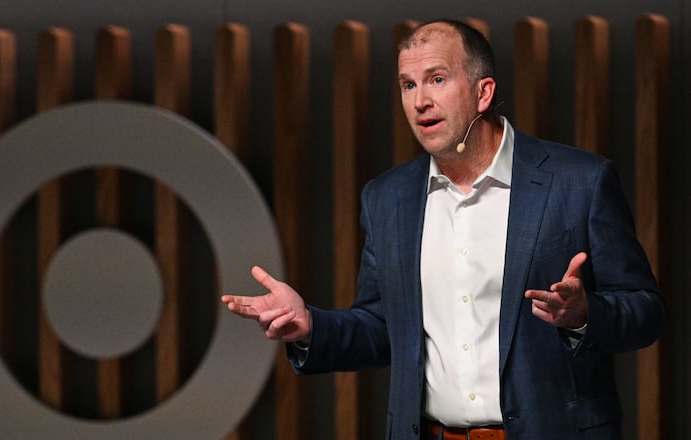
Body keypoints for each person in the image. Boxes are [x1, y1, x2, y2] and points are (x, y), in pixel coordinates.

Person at [221, 19, 665, 440]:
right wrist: (310, 327)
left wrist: (584, 315)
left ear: (483, 91)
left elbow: (645, 311)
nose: (419, 101)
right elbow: (381, 328)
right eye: (408, 85)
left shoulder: (580, 181)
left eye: (436, 79)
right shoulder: (387, 198)